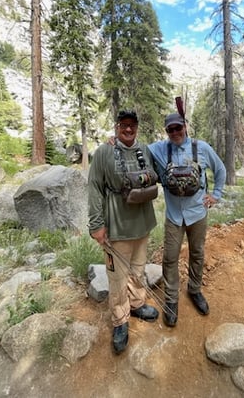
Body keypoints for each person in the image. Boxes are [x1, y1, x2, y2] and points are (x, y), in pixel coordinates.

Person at [88, 110, 159, 354]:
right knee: (117, 278)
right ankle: (120, 320)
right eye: (123, 125)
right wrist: (96, 225)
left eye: (132, 125)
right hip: (116, 227)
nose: (128, 130)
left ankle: (137, 303)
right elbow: (95, 187)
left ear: (137, 127)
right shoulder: (104, 152)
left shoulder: (146, 150)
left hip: (143, 223)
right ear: (117, 127)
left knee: (138, 270)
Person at [148, 112, 226, 327]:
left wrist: (216, 194)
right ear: (166, 132)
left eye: (178, 127)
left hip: (198, 212)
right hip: (174, 216)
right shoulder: (160, 148)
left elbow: (220, 170)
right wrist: (115, 140)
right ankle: (171, 300)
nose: (175, 132)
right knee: (170, 257)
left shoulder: (202, 147)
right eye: (170, 129)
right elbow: (136, 147)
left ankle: (195, 290)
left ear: (185, 126)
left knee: (197, 253)